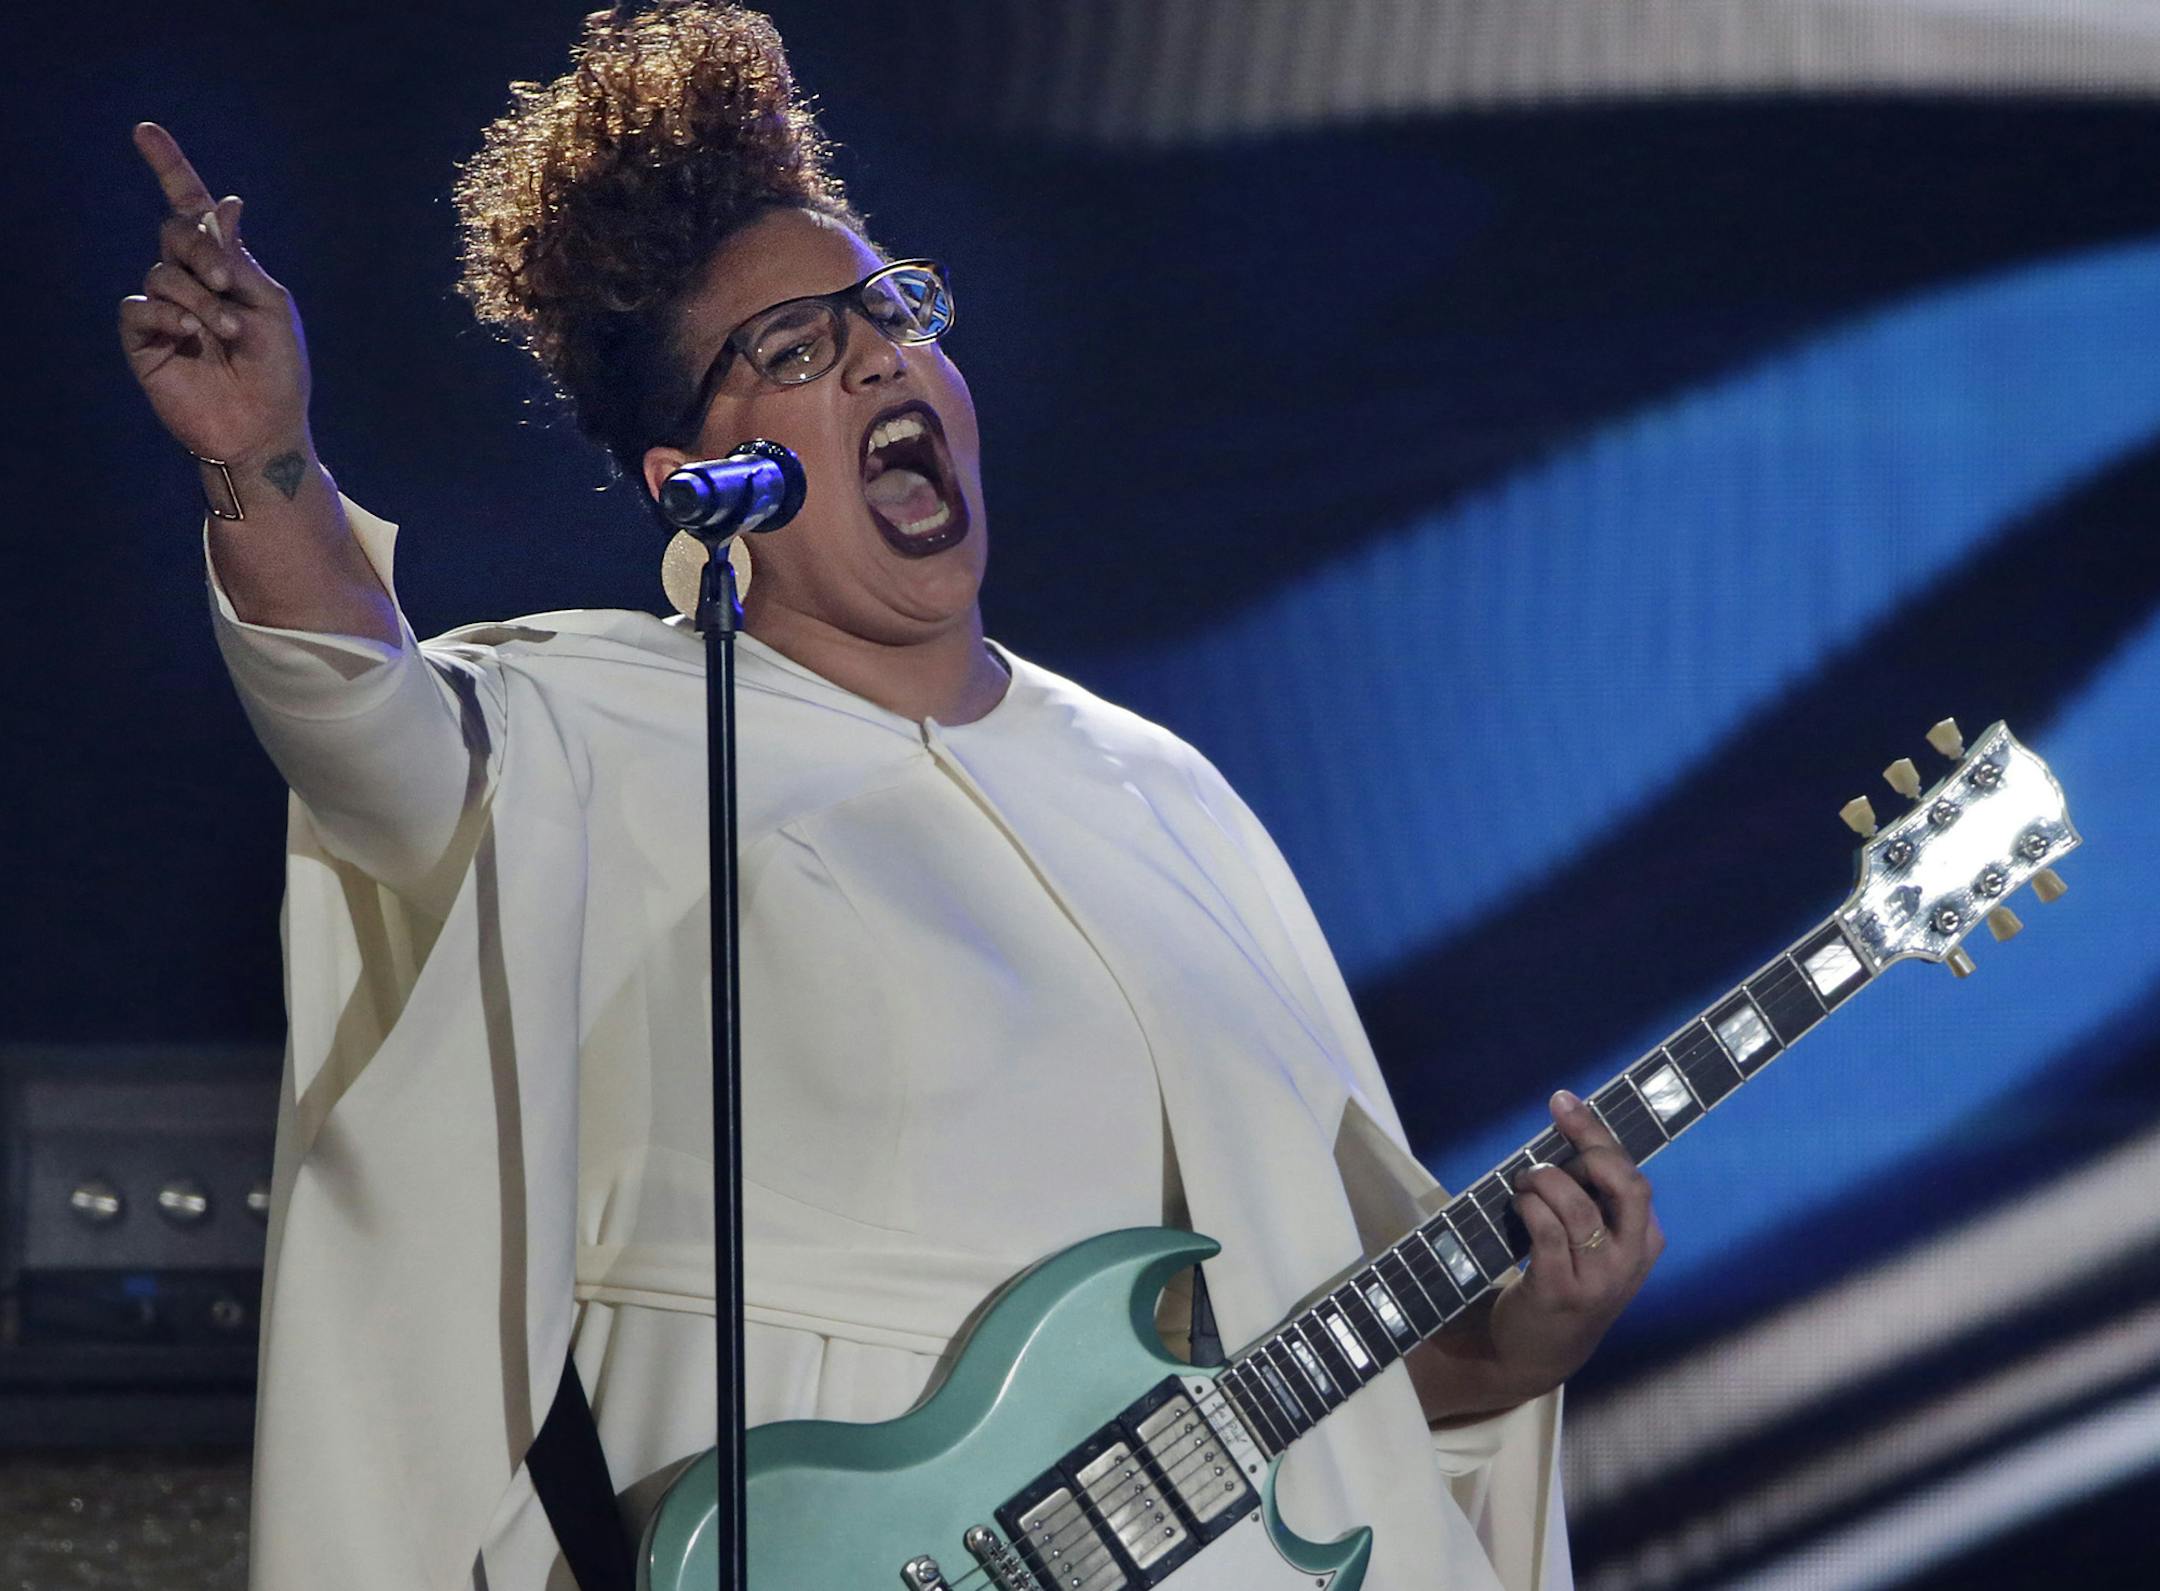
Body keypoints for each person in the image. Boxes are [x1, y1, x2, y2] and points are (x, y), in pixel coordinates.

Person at [119, 6, 1660, 1588]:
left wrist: (1512, 1347)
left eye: (891, 310)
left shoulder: (1165, 796)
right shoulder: (594, 727)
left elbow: (1325, 1354)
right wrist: (262, 460)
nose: (876, 354)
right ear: (691, 480)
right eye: (795, 351)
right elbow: (360, 719)